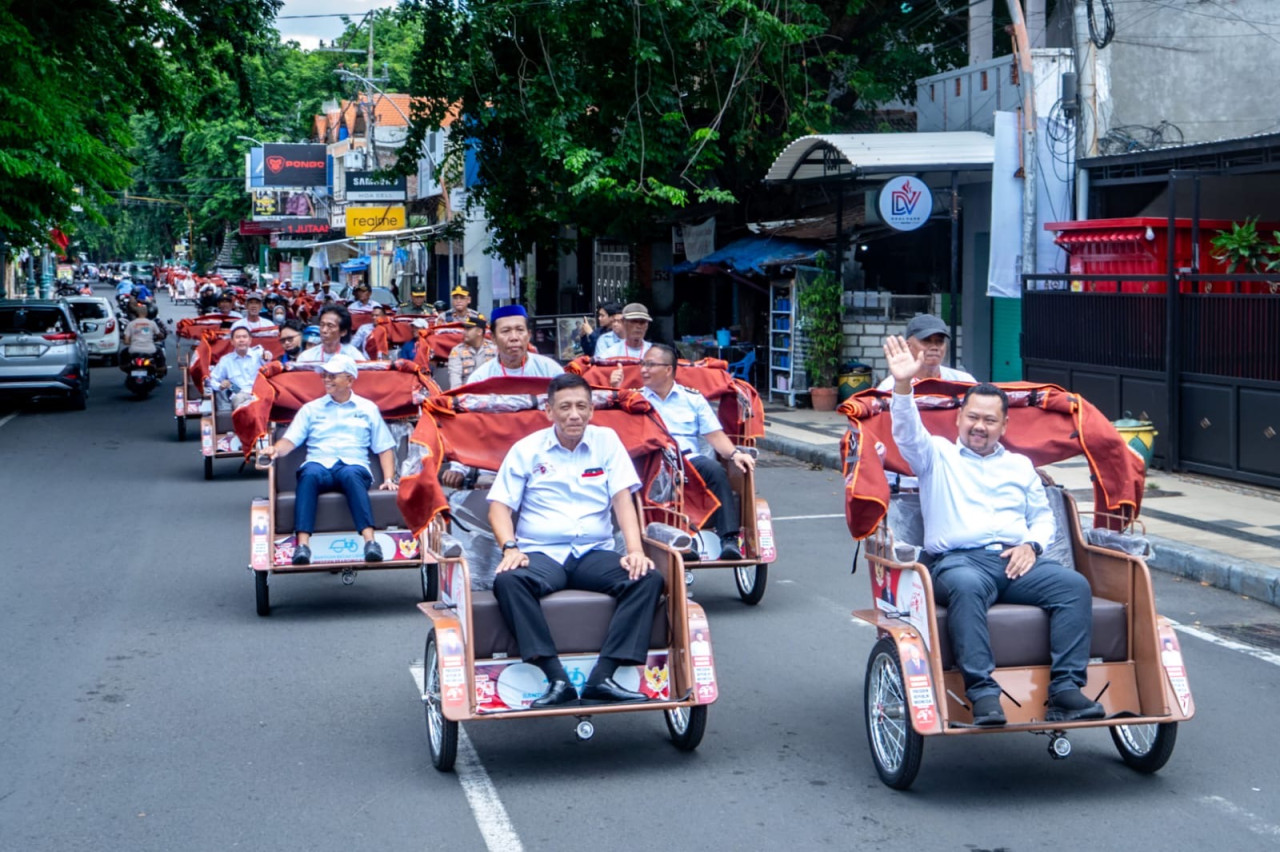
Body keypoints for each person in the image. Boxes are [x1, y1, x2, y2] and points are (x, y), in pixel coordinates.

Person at [884, 334, 1104, 727]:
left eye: (989, 420)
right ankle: (983, 695)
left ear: (1004, 425)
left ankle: (1066, 689)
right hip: (958, 562)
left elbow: (1042, 517)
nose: (979, 427)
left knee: (1073, 587)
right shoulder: (936, 454)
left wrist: (1033, 546)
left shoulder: (1020, 466)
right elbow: (905, 433)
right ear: (958, 418)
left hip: (1015, 560)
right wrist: (903, 385)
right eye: (972, 417)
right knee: (967, 587)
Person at [488, 373, 663, 706]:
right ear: (549, 411)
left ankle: (604, 676)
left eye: (582, 406)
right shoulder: (527, 449)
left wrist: (636, 550)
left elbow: (623, 499)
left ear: (592, 410)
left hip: (592, 552)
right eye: (565, 407)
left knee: (648, 578)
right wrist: (510, 548)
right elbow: (499, 507)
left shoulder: (607, 441)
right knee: (509, 581)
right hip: (542, 554)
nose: (574, 414)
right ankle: (555, 678)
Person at [259, 355, 398, 566]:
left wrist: (388, 478)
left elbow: (384, 446)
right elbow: (290, 439)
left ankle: (370, 543)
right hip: (319, 462)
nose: (326, 380)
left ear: (349, 380)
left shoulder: (367, 408)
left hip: (353, 464)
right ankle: (302, 546)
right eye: (325, 375)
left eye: (333, 376)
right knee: (309, 475)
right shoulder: (311, 409)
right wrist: (274, 449)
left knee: (351, 475)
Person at [638, 343, 755, 561]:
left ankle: (729, 539)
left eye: (650, 365)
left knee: (715, 470)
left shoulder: (692, 398)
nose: (643, 369)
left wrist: (735, 454)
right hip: (654, 462)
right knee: (666, 480)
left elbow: (714, 435)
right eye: (643, 364)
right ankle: (685, 539)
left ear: (668, 369)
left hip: (689, 459)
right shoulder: (635, 400)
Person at [464, 305, 564, 383]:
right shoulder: (480, 378)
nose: (514, 337)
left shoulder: (551, 371)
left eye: (520, 330)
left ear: (529, 335)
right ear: (493, 338)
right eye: (506, 331)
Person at [875, 314, 975, 391]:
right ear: (908, 345)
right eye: (926, 341)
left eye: (939, 341)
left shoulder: (964, 382)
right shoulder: (890, 386)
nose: (934, 347)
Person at [207, 323, 272, 407]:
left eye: (244, 337)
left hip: (260, 392)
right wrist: (220, 386)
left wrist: (267, 356)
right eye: (238, 337)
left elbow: (267, 357)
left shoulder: (259, 353)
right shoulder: (226, 360)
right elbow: (211, 380)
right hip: (239, 393)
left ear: (250, 340)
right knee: (240, 399)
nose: (241, 340)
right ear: (232, 341)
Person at [296, 304, 365, 365]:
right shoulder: (306, 357)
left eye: (330, 326)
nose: (324, 330)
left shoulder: (354, 356)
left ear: (343, 332)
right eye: (322, 325)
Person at [446, 316, 497, 387]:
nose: (464, 332)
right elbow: (455, 378)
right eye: (465, 329)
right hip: (467, 394)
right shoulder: (457, 350)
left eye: (468, 329)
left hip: (491, 392)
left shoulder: (494, 348)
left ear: (479, 332)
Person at [121, 302, 167, 376]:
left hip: (133, 350)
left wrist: (132, 342)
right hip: (150, 349)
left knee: (123, 354)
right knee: (160, 355)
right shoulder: (152, 323)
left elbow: (126, 341)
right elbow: (160, 335)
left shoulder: (131, 324)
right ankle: (158, 371)